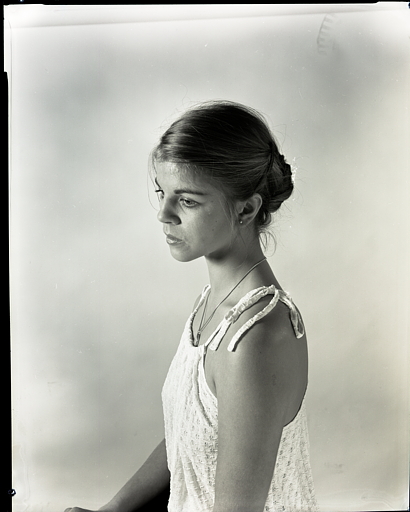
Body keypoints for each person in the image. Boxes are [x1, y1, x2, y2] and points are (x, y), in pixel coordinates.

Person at [64, 100, 318, 512]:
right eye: (162, 193)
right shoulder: (214, 303)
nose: (163, 214)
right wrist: (111, 511)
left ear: (246, 208)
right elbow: (190, 431)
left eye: (187, 201)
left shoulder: (256, 335)